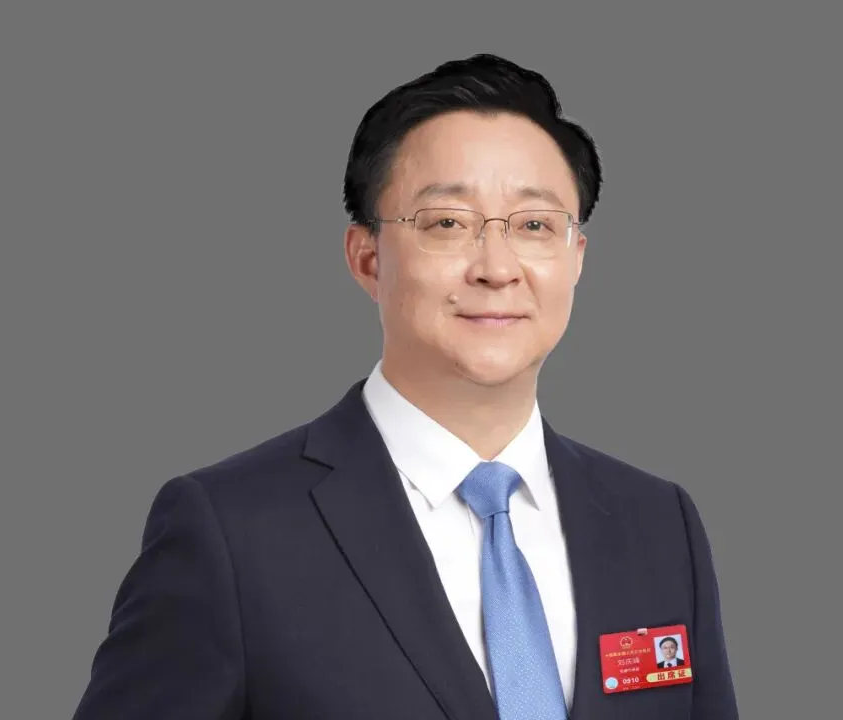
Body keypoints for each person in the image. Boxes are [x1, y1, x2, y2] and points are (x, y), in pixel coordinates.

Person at [71, 53, 738, 720]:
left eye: (534, 225)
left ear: (576, 258)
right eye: (447, 223)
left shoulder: (658, 523)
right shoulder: (232, 532)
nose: (497, 267)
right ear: (367, 258)